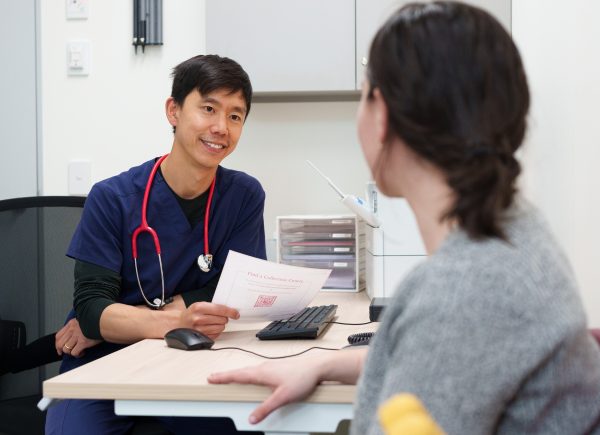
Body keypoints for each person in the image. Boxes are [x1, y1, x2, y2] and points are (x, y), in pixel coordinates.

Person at [208, 2, 600, 434]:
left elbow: (454, 334)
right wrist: (325, 365)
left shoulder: (467, 289)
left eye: (363, 94)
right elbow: (452, 356)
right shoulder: (513, 230)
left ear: (383, 116)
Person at [45, 54, 266, 435]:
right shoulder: (112, 198)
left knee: (244, 425)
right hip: (102, 365)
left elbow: (237, 289)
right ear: (174, 111)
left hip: (195, 361)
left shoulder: (243, 196)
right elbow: (92, 310)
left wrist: (123, 318)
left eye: (235, 116)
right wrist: (176, 319)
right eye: (208, 108)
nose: (220, 127)